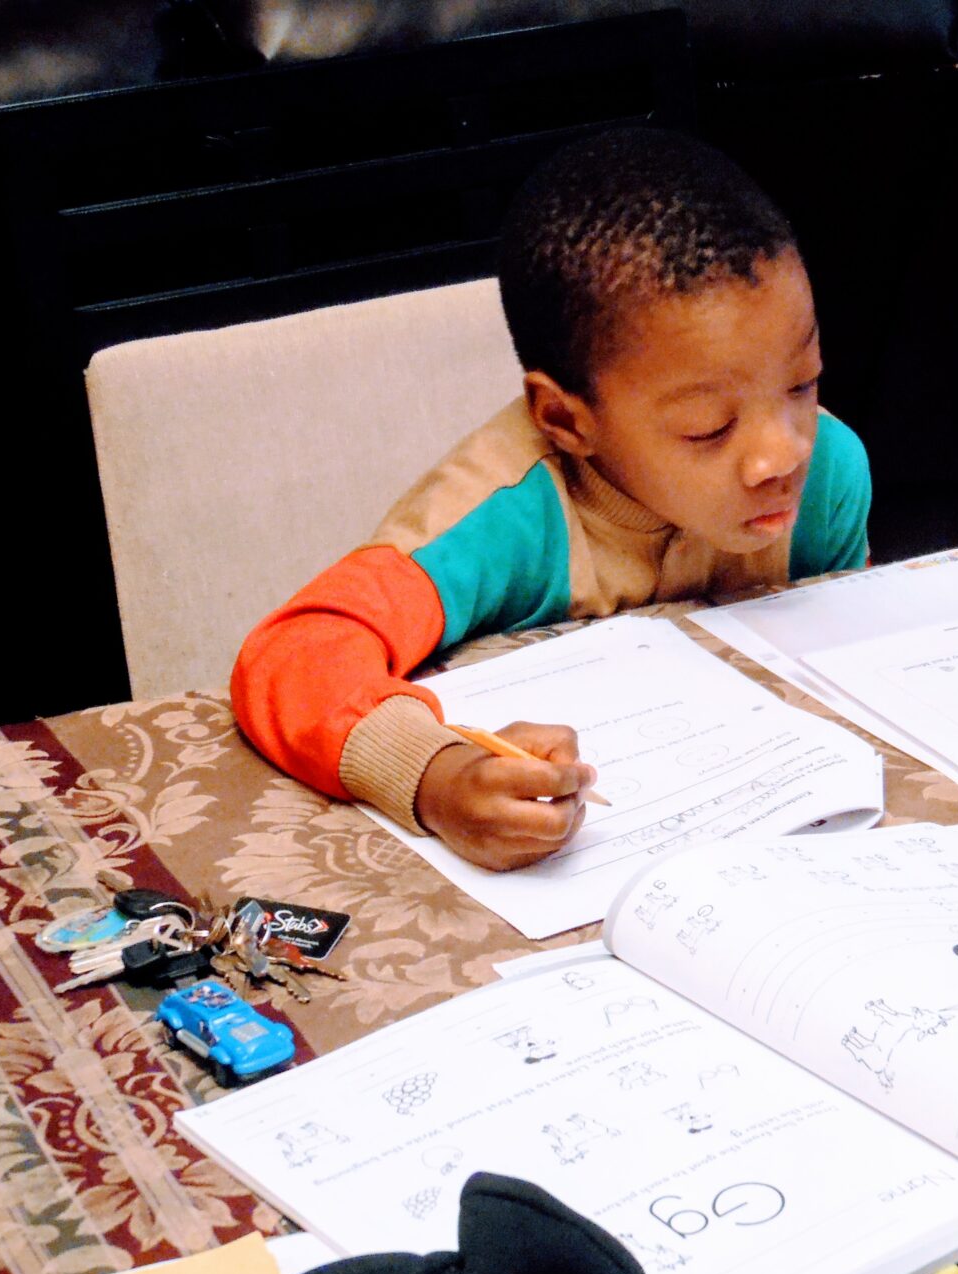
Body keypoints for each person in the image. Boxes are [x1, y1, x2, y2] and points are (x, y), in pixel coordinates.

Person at [231, 127, 871, 872]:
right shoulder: (505, 518)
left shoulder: (828, 475)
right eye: (710, 426)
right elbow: (294, 653)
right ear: (567, 420)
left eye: (801, 383)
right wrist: (434, 778)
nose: (784, 451)